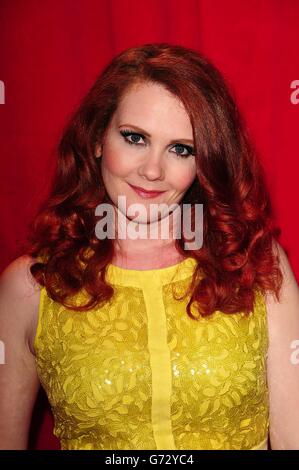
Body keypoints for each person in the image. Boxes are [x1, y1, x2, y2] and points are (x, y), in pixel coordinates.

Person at [1, 43, 299, 451]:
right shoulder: (29, 287)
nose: (153, 170)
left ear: (203, 162)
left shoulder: (256, 264)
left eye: (181, 149)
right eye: (135, 138)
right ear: (97, 139)